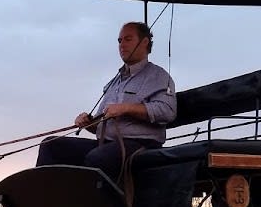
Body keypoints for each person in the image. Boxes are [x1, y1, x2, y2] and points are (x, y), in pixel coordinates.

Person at [36, 21, 177, 182]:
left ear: (144, 42)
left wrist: (126, 108)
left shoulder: (158, 76)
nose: (122, 45)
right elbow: (101, 126)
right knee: (50, 145)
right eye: (120, 41)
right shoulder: (114, 82)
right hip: (106, 144)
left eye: (128, 39)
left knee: (97, 158)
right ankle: (43, 196)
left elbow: (167, 111)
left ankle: (84, 198)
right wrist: (88, 123)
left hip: (139, 145)